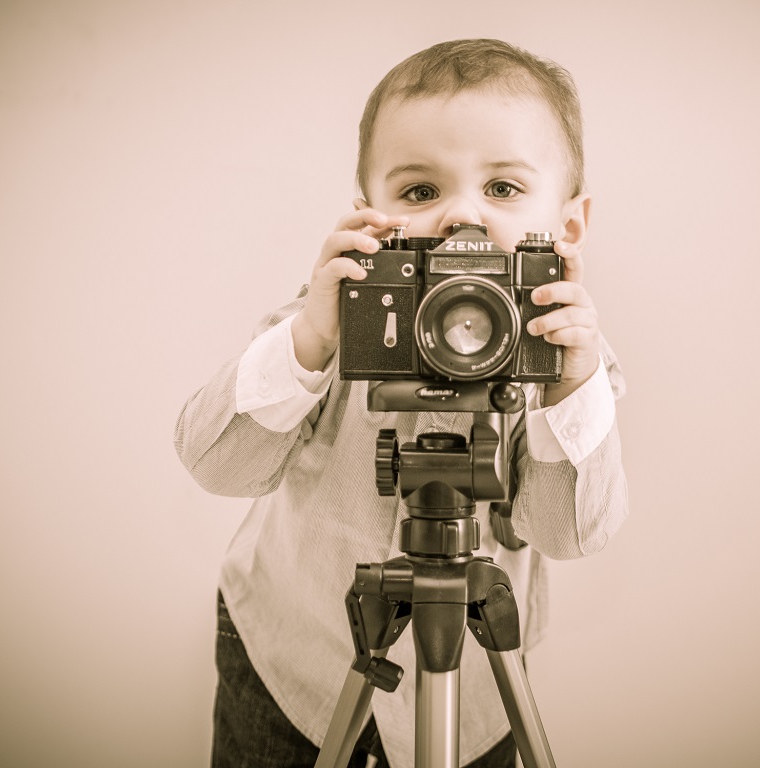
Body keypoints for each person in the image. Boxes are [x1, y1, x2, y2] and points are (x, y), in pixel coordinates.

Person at [175, 38, 628, 768]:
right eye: (420, 192)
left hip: (475, 690)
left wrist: (569, 388)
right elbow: (215, 464)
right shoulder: (335, 321)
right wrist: (311, 340)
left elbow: (568, 533)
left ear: (567, 228)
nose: (461, 217)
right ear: (368, 218)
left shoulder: (562, 356)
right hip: (293, 663)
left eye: (502, 188)